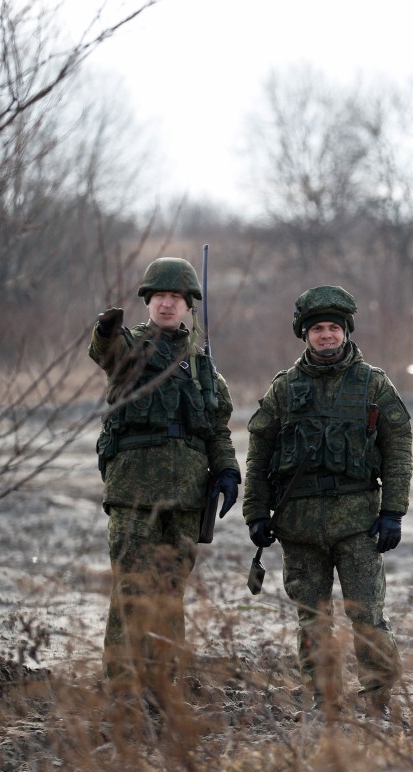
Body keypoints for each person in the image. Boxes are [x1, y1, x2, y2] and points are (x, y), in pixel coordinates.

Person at [242, 285, 413, 720]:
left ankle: (378, 700)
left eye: (333, 328)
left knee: (368, 617)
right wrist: (256, 512)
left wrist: (393, 512)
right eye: (318, 328)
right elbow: (259, 453)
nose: (326, 336)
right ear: (305, 334)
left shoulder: (373, 384)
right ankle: (324, 700)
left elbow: (398, 449)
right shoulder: (284, 389)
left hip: (357, 524)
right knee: (312, 621)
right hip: (298, 528)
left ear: (346, 332)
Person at [89, 257, 240, 695]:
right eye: (160, 297)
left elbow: (216, 428)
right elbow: (105, 353)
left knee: (170, 593)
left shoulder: (203, 367)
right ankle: (120, 691)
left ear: (189, 305)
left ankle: (161, 688)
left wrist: (228, 469)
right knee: (131, 591)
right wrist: (104, 330)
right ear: (148, 302)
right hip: (134, 492)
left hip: (185, 498)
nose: (168, 304)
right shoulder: (129, 348)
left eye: (176, 298)